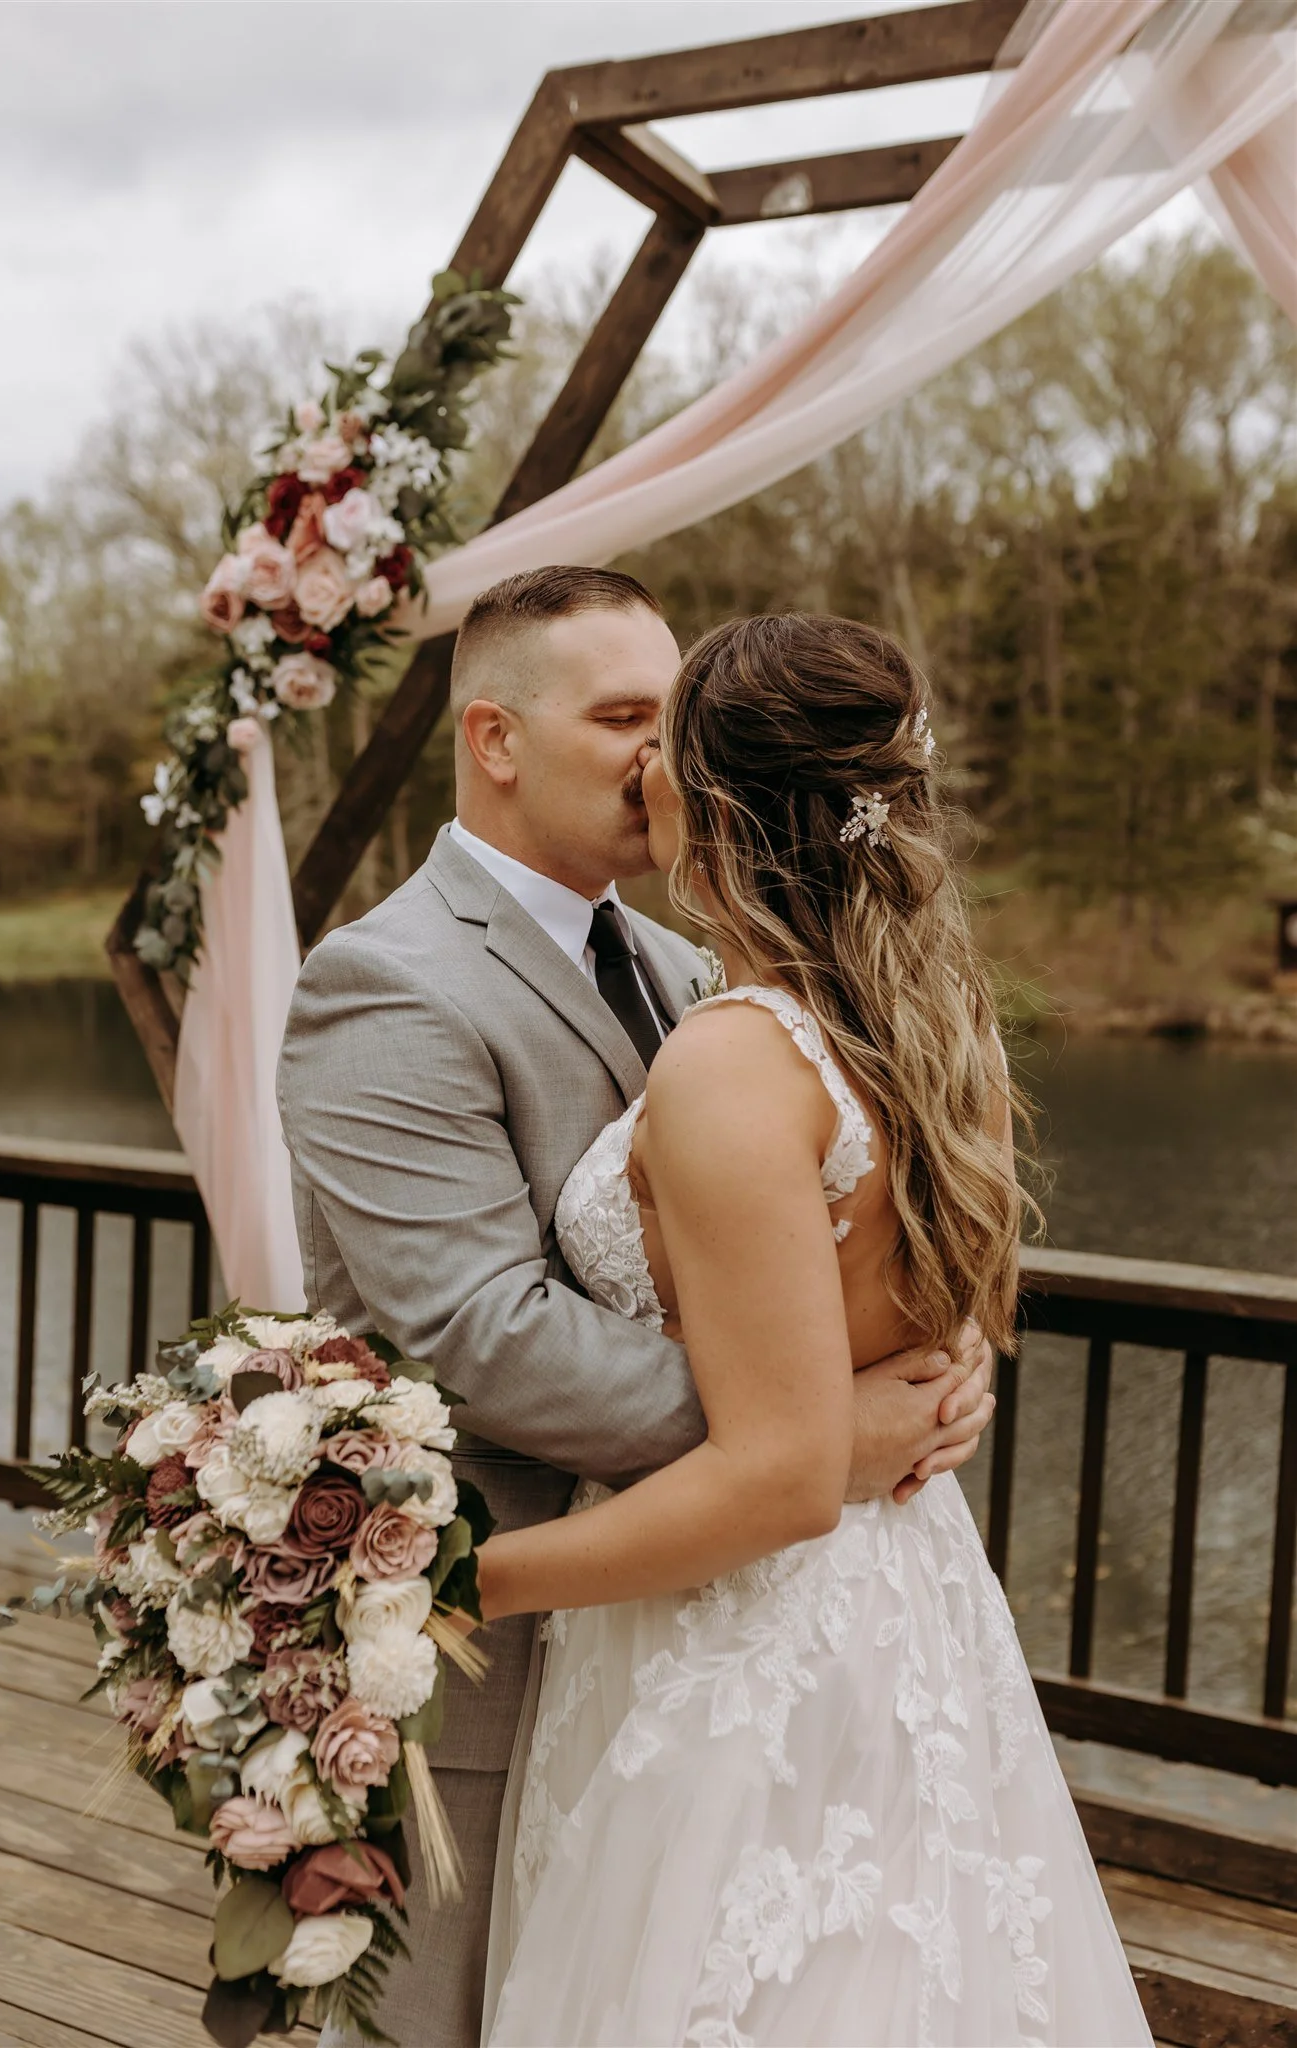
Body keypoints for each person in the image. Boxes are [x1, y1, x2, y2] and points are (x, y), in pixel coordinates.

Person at [277, 568, 997, 2048]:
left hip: (708, 1644)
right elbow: (478, 1331)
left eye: (673, 721)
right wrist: (807, 1434)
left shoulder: (698, 967)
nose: (658, 757)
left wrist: (929, 1358)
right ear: (494, 737)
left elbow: (828, 1218)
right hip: (490, 1639)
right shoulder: (383, 983)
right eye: (622, 718)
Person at [477, 611, 1152, 2047]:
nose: (639, 774)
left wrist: (466, 1585)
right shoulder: (919, 1016)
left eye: (663, 752)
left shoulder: (735, 1059)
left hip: (746, 1642)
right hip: (903, 1594)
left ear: (712, 799)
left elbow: (779, 1478)